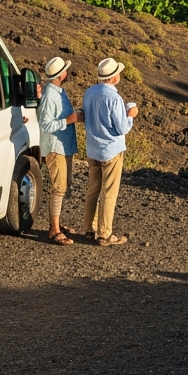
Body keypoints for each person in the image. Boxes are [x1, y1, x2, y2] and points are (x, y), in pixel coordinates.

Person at [82, 57, 137, 246]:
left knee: (93, 190)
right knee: (109, 193)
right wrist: (130, 115)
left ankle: (89, 228)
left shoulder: (89, 92)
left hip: (93, 148)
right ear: (113, 78)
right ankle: (104, 233)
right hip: (111, 149)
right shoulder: (114, 98)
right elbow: (122, 128)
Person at [36, 56, 81, 246]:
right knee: (59, 187)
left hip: (63, 145)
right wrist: (69, 120)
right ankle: (53, 229)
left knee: (63, 185)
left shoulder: (57, 92)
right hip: (55, 146)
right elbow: (45, 123)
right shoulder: (50, 95)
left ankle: (56, 223)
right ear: (62, 74)